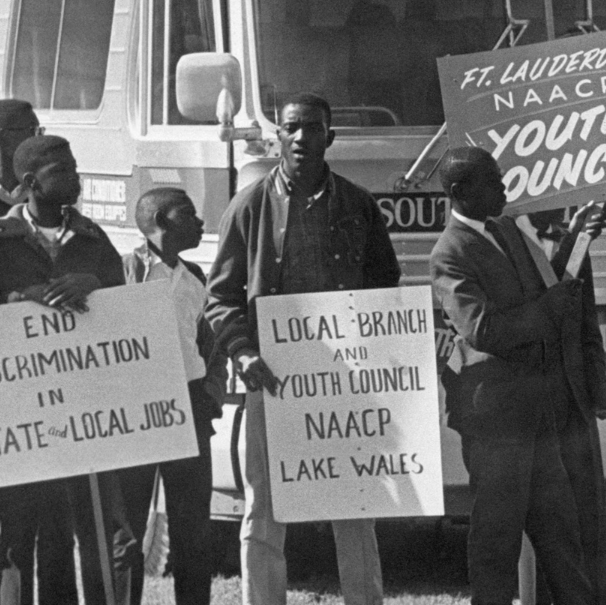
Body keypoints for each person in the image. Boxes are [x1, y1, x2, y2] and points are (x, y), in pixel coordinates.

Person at [206, 93, 400, 605]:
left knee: (356, 502)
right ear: (277, 136)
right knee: (264, 508)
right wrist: (243, 351)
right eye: (291, 127)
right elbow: (219, 297)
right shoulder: (250, 206)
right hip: (271, 378)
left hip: (346, 384)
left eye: (312, 128)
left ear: (329, 137)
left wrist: (378, 356)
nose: (300, 137)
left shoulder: (358, 205)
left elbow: (385, 288)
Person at [429, 146, 595, 605]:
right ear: (460, 191)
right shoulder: (449, 252)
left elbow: (547, 287)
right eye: (492, 181)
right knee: (496, 542)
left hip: (535, 413)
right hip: (494, 421)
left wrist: (577, 239)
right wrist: (549, 309)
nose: (504, 188)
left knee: (561, 537)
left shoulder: (505, 229)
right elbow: (483, 330)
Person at [0, 135, 135, 605]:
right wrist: (20, 299)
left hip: (81, 414)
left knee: (65, 533)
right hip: (19, 419)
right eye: (62, 170)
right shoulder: (3, 241)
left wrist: (95, 284)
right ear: (31, 182)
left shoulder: (93, 241)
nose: (75, 177)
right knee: (16, 536)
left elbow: (126, 310)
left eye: (75, 166)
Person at [117, 188, 224, 605]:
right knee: (127, 530)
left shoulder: (195, 277)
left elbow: (209, 343)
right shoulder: (124, 271)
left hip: (191, 406)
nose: (199, 222)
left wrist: (210, 395)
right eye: (188, 213)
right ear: (161, 221)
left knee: (193, 530)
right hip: (138, 411)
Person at [519, 204, 606, 605]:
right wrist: (573, 241)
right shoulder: (502, 239)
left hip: (574, 403)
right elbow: (542, 307)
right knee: (546, 526)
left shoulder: (571, 237)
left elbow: (585, 321)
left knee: (587, 519)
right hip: (527, 406)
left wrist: (598, 384)